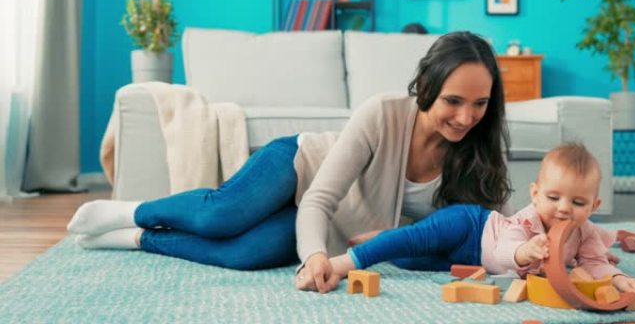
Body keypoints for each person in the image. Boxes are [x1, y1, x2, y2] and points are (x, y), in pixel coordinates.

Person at [67, 31, 512, 293]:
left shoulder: (483, 149)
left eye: (480, 104)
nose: (466, 117)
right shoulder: (384, 113)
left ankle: (138, 238)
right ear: (426, 86)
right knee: (224, 215)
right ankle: (130, 210)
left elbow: (497, 235)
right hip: (301, 167)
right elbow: (318, 197)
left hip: (335, 224)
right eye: (454, 100)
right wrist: (313, 256)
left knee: (246, 254)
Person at [322, 143, 635, 295]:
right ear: (535, 194)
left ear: (594, 205)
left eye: (578, 202)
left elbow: (594, 264)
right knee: (416, 239)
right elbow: (508, 250)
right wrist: (527, 252)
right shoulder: (529, 220)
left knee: (407, 261)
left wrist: (619, 281)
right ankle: (345, 262)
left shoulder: (586, 232)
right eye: (553, 197)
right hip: (472, 226)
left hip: (473, 261)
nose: (564, 209)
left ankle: (386, 236)